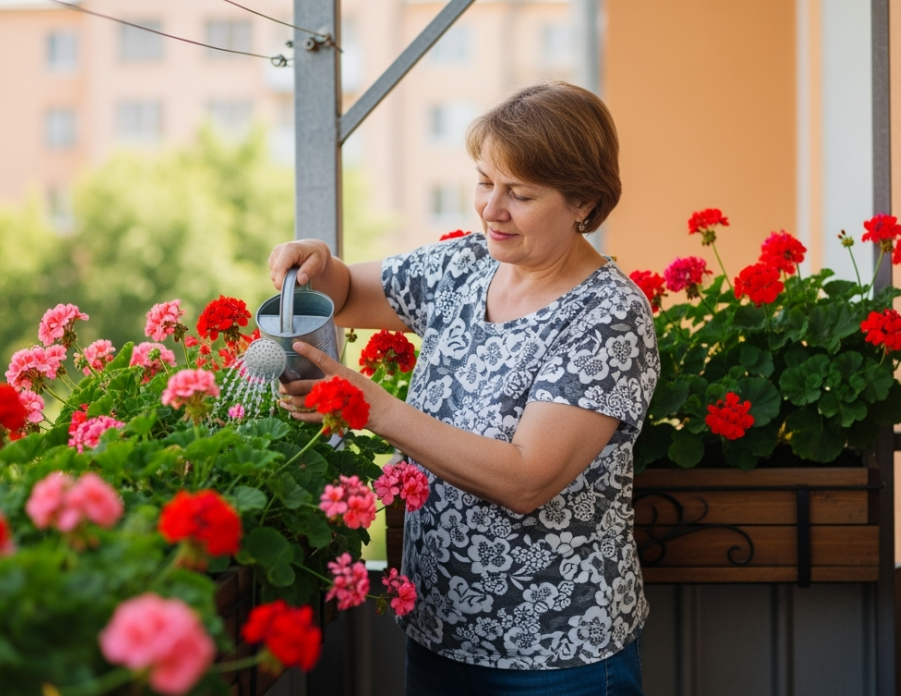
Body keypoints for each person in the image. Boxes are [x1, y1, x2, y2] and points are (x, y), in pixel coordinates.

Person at [269, 81, 658, 695]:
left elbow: (528, 479)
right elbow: (345, 292)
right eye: (484, 182)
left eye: (520, 194)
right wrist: (318, 261)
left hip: (557, 653)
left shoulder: (608, 315)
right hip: (441, 633)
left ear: (583, 201)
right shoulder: (467, 264)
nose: (491, 209)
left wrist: (375, 409)